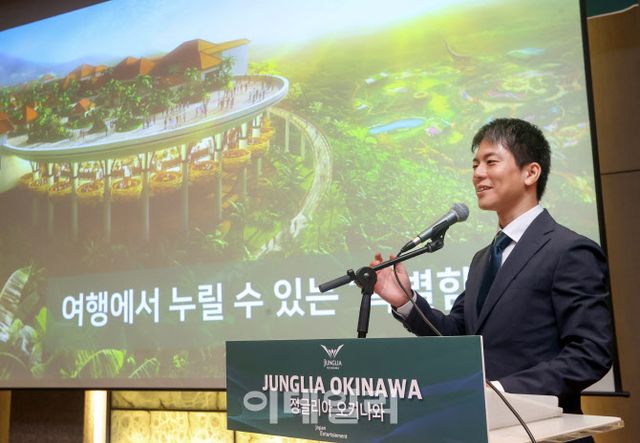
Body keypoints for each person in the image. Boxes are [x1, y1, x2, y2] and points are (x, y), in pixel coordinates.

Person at [372, 118, 613, 419]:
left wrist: (502, 391)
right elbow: (458, 337)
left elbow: (590, 353)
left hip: (543, 429)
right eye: (475, 165)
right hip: (484, 427)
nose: (478, 173)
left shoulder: (569, 250)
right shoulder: (483, 258)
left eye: (491, 162)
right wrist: (406, 301)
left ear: (530, 172)